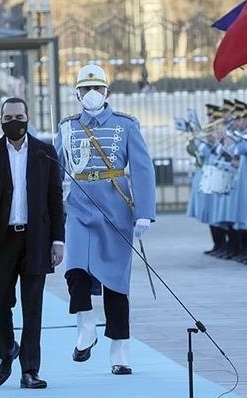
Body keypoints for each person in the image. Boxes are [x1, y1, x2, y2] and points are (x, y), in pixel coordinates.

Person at [55, 64, 156, 375]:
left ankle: (120, 351)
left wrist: (144, 213)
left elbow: (142, 168)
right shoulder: (67, 128)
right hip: (79, 206)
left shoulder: (126, 125)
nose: (91, 94)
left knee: (116, 282)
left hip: (115, 208)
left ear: (107, 92)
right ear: (77, 94)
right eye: (85, 89)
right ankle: (86, 324)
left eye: (97, 88)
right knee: (75, 270)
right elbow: (55, 170)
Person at [0, 97, 64, 389]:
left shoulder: (45, 153)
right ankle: (8, 349)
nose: (14, 122)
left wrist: (58, 240)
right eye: (8, 118)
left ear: (27, 117)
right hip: (0, 241)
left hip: (36, 239)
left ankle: (30, 371)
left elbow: (55, 198)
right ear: (1, 121)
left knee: (33, 307)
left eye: (19, 117)